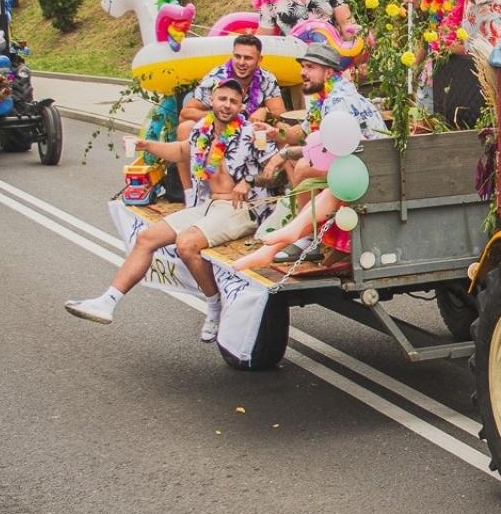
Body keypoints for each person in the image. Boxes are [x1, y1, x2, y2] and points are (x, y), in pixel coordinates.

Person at [65, 78, 275, 341]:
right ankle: (107, 302)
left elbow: (275, 169)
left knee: (186, 243)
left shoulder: (250, 133)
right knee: (146, 238)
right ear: (212, 100)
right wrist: (146, 145)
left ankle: (213, 306)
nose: (227, 105)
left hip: (239, 207)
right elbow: (179, 150)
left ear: (241, 104)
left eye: (234, 101)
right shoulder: (202, 129)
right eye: (222, 99)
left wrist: (250, 181)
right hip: (206, 205)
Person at [260, 43, 388, 264]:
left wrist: (284, 154)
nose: (303, 72)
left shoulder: (337, 101)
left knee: (301, 167)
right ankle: (312, 229)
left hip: (371, 167)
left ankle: (308, 239)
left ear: (328, 72)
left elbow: (331, 147)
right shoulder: (324, 97)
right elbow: (303, 133)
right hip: (353, 160)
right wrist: (276, 133)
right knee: (296, 162)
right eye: (303, 66)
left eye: (310, 67)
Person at [174, 34, 284, 201]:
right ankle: (190, 193)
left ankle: (278, 188)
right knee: (184, 128)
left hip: (251, 135)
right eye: (237, 56)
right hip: (218, 132)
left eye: (247, 58)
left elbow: (280, 113)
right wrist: (221, 116)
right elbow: (186, 113)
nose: (241, 62)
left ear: (259, 60)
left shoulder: (266, 78)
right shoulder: (217, 77)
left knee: (282, 129)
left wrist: (264, 111)